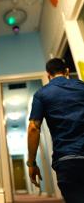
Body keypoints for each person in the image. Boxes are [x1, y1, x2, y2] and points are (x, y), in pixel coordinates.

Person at [27, 58, 84, 203]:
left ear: (48, 75)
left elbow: (33, 128)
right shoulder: (82, 87)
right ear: (66, 71)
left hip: (66, 160)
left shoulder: (41, 94)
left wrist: (32, 163)